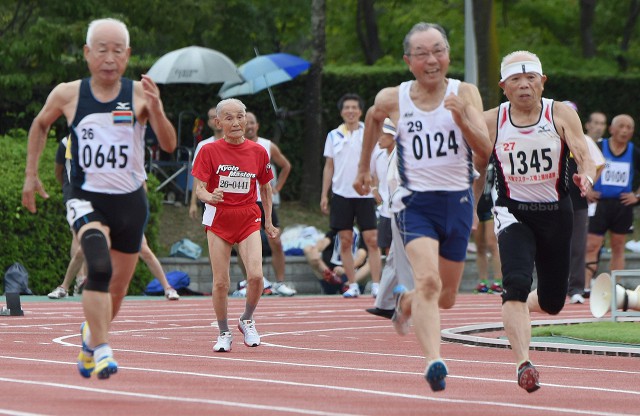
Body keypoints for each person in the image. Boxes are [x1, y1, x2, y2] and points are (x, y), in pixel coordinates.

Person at [21, 18, 177, 379]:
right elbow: (40, 124)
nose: (109, 58)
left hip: (130, 200)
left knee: (118, 289)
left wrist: (157, 110)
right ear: (88, 54)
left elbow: (168, 144)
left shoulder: (140, 93)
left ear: (128, 55)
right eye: (102, 50)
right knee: (98, 265)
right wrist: (31, 174)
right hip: (86, 196)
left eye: (117, 50)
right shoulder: (68, 93)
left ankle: (91, 339)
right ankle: (104, 349)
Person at [353, 22, 492, 392]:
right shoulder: (393, 97)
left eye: (438, 51)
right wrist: (364, 167)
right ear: (408, 61)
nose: (432, 60)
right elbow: (371, 117)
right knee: (429, 281)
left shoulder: (466, 93)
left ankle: (407, 302)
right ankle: (434, 361)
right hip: (415, 205)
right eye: (422, 53)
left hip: (459, 202)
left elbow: (486, 150)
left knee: (446, 297)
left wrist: (462, 117)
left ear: (447, 55)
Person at [482, 51, 595, 392]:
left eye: (530, 78)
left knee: (552, 302)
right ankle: (523, 363)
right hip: (512, 210)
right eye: (515, 80)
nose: (524, 85)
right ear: (503, 87)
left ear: (543, 81)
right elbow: (470, 159)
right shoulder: (493, 120)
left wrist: (586, 177)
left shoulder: (558, 112)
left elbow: (583, 152)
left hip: (555, 214)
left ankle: (520, 307)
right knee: (515, 282)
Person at [191, 98, 278, 353]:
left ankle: (247, 318)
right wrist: (210, 197)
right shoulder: (208, 150)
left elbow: (266, 188)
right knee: (221, 283)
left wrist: (269, 222)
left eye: (240, 116)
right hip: (219, 218)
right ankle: (223, 332)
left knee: (256, 276)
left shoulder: (258, 151)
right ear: (218, 123)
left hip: (249, 216)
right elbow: (200, 189)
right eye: (228, 118)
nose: (236, 122)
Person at [48, 139, 179, 301]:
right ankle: (64, 287)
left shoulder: (132, 160)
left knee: (144, 250)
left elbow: (141, 188)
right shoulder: (99, 159)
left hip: (126, 211)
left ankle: (168, 287)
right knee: (83, 249)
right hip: (105, 211)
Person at [321, 93, 382, 298]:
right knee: (345, 240)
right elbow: (329, 167)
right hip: (341, 194)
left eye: (354, 107)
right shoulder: (333, 135)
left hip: (364, 194)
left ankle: (376, 284)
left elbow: (375, 164)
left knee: (371, 239)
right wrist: (324, 195)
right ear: (341, 112)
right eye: (346, 108)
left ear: (360, 111)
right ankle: (352, 284)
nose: (350, 111)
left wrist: (376, 188)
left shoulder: (369, 133)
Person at [584, 114, 640, 297]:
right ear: (612, 129)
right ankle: (585, 287)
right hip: (599, 204)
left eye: (629, 127)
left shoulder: (634, 151)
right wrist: (588, 188)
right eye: (621, 126)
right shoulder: (599, 147)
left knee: (618, 246)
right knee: (592, 245)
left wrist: (636, 196)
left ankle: (615, 288)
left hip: (622, 206)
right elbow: (582, 166)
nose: (625, 131)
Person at [243, 111, 296, 296]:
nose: (249, 126)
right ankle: (249, 283)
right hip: (244, 202)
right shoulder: (234, 145)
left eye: (252, 123)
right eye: (246, 122)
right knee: (245, 245)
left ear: (257, 126)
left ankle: (280, 282)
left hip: (265, 201)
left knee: (276, 241)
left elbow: (286, 165)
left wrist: (277, 187)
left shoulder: (267, 145)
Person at [562, 101, 605, 305]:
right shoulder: (549, 137)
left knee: (578, 246)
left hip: (577, 202)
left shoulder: (584, 140)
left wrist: (588, 185)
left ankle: (576, 288)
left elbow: (599, 164)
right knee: (551, 244)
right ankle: (553, 286)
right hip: (553, 200)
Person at [368, 119, 397, 298]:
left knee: (400, 249)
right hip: (386, 209)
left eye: (383, 133)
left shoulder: (403, 153)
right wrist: (373, 189)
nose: (378, 137)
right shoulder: (376, 153)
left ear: (393, 136)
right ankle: (389, 287)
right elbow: (370, 175)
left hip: (402, 209)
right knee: (387, 249)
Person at [303, 228, 370, 294]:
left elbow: (361, 258)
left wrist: (345, 270)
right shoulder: (333, 233)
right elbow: (323, 242)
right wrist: (315, 250)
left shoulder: (361, 235)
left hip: (354, 276)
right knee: (308, 249)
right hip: (331, 276)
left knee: (372, 261)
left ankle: (349, 285)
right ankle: (330, 275)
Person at [471, 160, 502, 294]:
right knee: (480, 246)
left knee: (492, 243)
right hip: (476, 206)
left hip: (490, 205)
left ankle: (498, 281)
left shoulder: (493, 161)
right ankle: (482, 281)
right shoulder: (471, 161)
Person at [189, 106, 224, 220]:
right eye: (212, 117)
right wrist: (193, 202)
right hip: (209, 200)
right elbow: (197, 177)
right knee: (211, 235)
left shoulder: (237, 143)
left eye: (218, 116)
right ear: (209, 122)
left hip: (234, 201)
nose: (216, 120)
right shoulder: (203, 146)